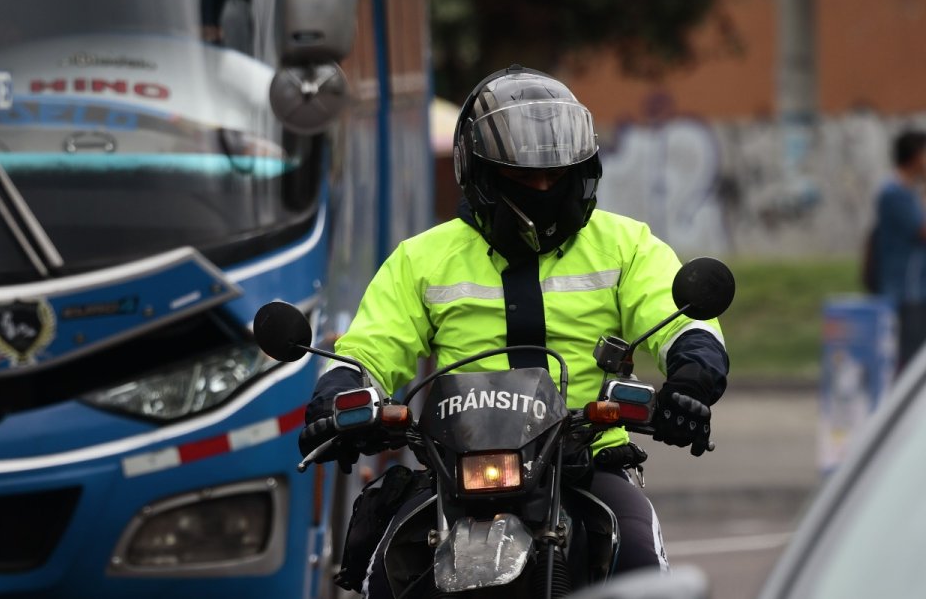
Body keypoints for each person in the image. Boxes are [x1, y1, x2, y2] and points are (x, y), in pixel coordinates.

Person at [298, 66, 730, 594]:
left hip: (588, 463)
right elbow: (370, 345)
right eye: (524, 177)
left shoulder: (627, 245)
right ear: (479, 174)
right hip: (453, 470)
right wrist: (338, 398)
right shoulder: (421, 259)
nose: (544, 189)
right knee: (379, 571)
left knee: (638, 557)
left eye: (558, 175)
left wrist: (690, 383)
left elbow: (683, 318)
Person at [873, 130, 926, 370]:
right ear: (915, 157)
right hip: (906, 289)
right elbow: (921, 231)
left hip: (912, 288)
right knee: (910, 358)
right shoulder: (895, 193)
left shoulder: (905, 192)